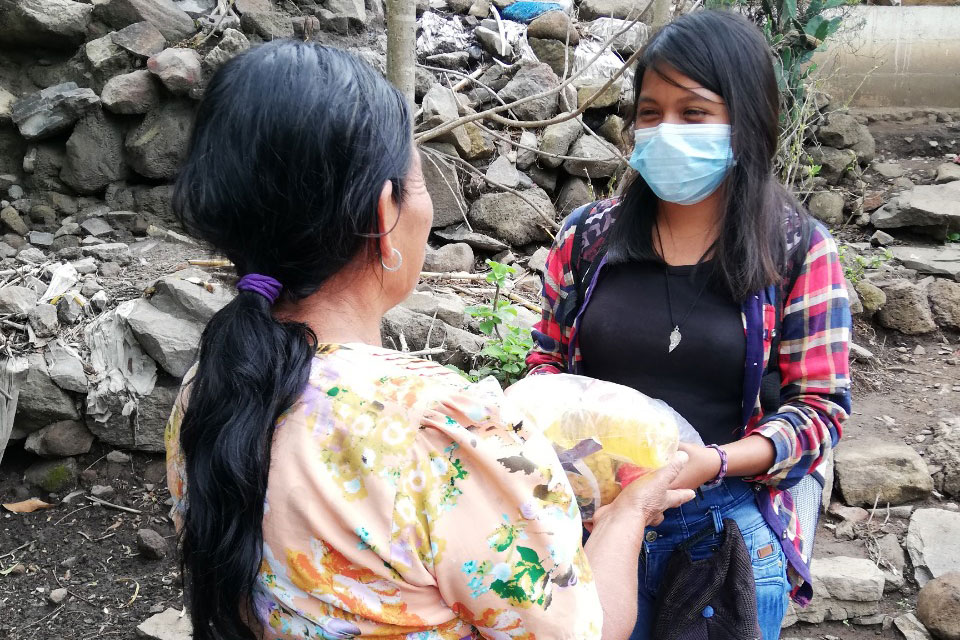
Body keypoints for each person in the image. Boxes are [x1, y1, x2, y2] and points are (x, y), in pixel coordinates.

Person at [164, 41, 695, 640]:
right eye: (420, 182)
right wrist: (630, 514)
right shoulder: (441, 429)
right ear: (384, 210)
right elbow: (582, 632)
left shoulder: (209, 387)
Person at [526, 11, 852, 640]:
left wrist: (715, 462)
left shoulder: (797, 252)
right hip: (588, 532)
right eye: (650, 112)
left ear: (747, 122)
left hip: (722, 536)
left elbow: (820, 411)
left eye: (694, 113)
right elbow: (546, 369)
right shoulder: (587, 239)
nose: (665, 130)